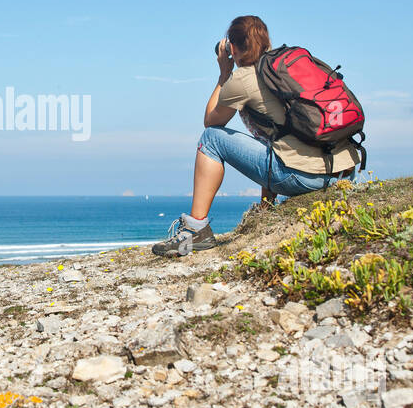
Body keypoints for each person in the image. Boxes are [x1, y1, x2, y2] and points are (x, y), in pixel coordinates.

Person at [152, 15, 361, 256]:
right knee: (275, 133)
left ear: (232, 47)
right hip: (343, 172)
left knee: (211, 138)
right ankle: (266, 208)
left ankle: (195, 229)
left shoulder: (243, 78)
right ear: (267, 40)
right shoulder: (286, 67)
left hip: (305, 178)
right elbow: (274, 136)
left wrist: (224, 74)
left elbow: (211, 121)